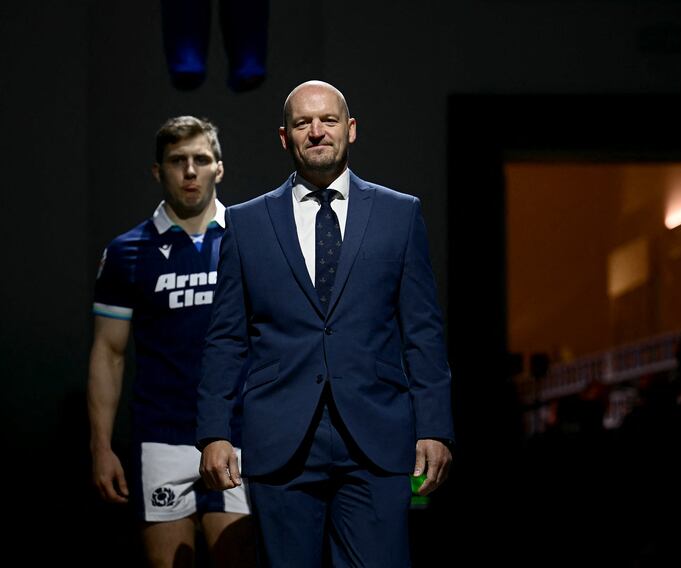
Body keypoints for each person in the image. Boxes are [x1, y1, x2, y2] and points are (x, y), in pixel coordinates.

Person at [197, 81, 454, 566]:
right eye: (302, 123)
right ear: (284, 137)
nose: (317, 132)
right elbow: (226, 337)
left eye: (329, 120)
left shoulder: (400, 214)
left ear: (351, 130)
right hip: (280, 438)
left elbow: (423, 332)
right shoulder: (247, 223)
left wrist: (436, 427)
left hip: (377, 437)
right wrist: (214, 432)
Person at [88, 116, 253, 568]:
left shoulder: (251, 238)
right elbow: (109, 353)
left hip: (236, 433)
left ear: (219, 168)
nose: (190, 171)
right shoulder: (127, 252)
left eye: (201, 159)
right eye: (178, 161)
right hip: (160, 438)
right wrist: (102, 448)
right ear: (157, 170)